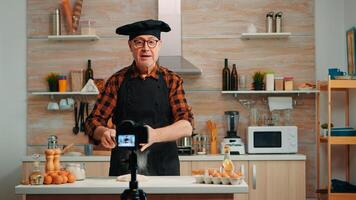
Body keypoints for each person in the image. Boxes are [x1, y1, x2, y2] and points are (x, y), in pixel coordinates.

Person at [85, 19, 194, 176]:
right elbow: (92, 122)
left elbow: (186, 125)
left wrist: (155, 135)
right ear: (130, 46)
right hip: (124, 169)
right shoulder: (117, 81)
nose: (145, 48)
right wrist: (103, 133)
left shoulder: (172, 80)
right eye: (139, 42)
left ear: (159, 45)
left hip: (164, 169)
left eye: (151, 42)